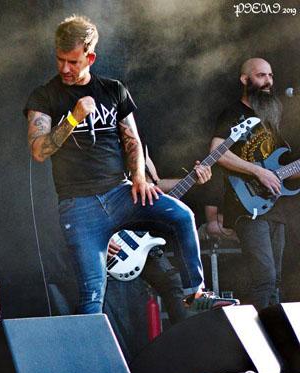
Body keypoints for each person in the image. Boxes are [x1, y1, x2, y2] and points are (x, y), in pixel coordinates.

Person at [24, 15, 220, 315]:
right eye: (60, 60)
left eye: (73, 62)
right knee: (92, 291)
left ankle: (195, 294)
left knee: (182, 216)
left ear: (90, 58)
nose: (64, 68)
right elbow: (39, 151)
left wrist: (139, 177)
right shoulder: (44, 96)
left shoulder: (113, 90)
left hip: (120, 192)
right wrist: (73, 118)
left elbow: (132, 141)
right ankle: (92, 345)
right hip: (79, 205)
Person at [210, 58, 299, 310]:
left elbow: (283, 169)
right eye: (261, 75)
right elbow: (217, 152)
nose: (268, 81)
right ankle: (260, 329)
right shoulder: (232, 113)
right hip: (246, 204)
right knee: (264, 278)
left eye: (270, 75)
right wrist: (258, 173)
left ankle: (274, 328)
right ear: (245, 79)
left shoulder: (274, 115)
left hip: (275, 204)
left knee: (275, 279)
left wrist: (273, 174)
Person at [107, 153, 214, 325]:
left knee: (174, 286)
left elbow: (155, 186)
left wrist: (193, 178)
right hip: (109, 233)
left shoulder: (141, 146)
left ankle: (189, 335)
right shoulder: (109, 146)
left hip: (142, 240)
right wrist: (104, 236)